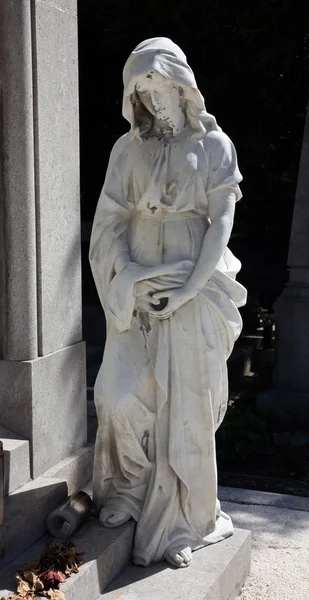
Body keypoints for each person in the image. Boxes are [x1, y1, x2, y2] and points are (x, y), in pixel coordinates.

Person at [89, 37, 247, 569]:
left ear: (183, 87)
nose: (152, 104)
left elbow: (220, 226)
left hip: (193, 289)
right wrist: (126, 281)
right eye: (141, 95)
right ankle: (130, 489)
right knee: (116, 393)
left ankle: (190, 520)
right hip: (135, 290)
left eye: (159, 90)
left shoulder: (215, 148)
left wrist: (188, 289)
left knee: (186, 411)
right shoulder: (125, 151)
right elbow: (107, 226)